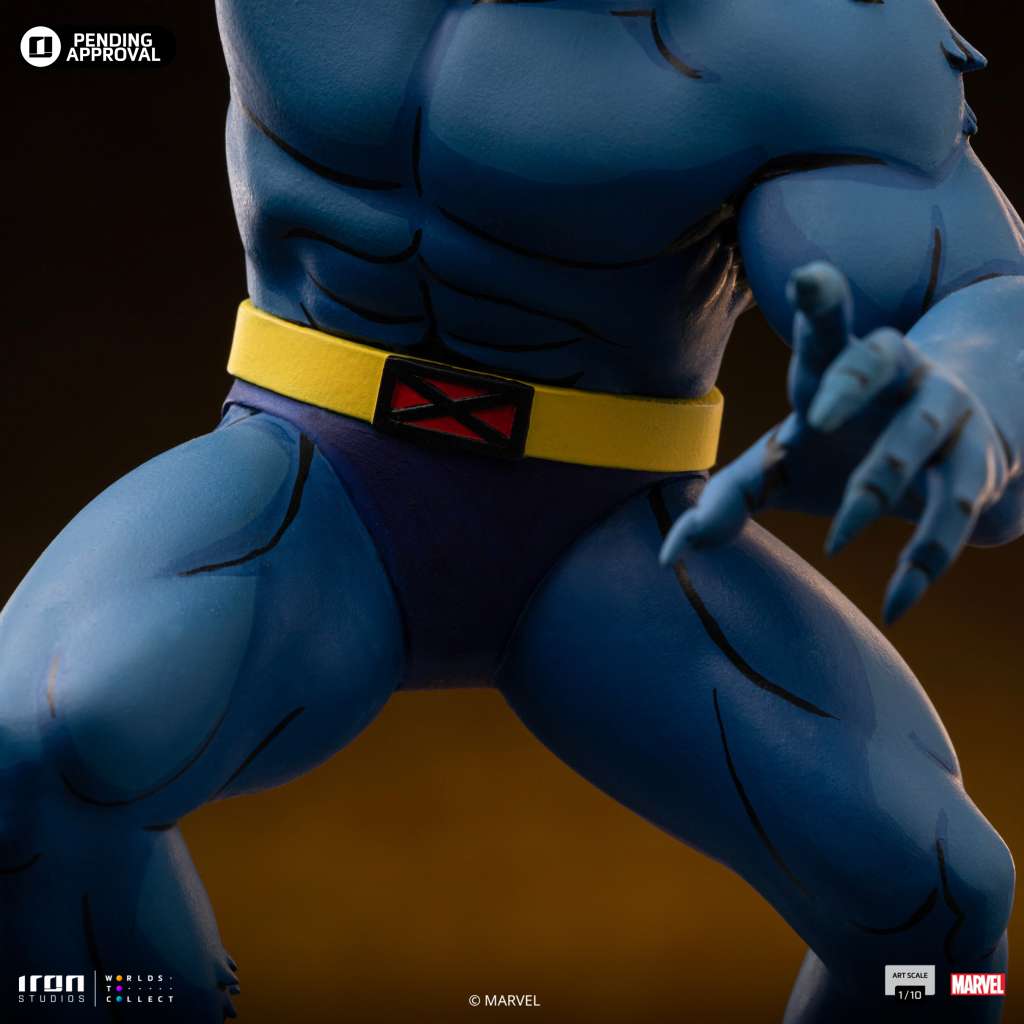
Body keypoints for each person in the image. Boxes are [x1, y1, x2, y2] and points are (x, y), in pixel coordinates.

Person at [3, 1, 1020, 1019]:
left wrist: (964, 395)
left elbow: (983, 290)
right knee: (32, 750)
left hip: (606, 532)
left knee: (939, 908)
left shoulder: (806, 29)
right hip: (316, 474)